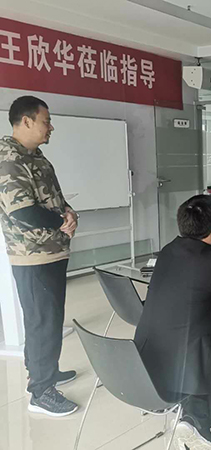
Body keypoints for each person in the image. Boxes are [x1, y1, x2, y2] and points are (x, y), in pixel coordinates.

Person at [134, 195, 211, 450]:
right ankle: (195, 421)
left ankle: (193, 417)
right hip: (188, 359)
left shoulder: (168, 250)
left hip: (147, 357)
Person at [0, 96, 79, 416]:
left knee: (49, 318)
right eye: (46, 121)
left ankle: (44, 372)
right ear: (26, 121)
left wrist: (69, 213)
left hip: (52, 251)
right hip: (33, 255)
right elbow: (23, 213)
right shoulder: (9, 161)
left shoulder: (37, 157)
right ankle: (41, 393)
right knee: (42, 321)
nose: (51, 127)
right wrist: (61, 223)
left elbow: (54, 198)